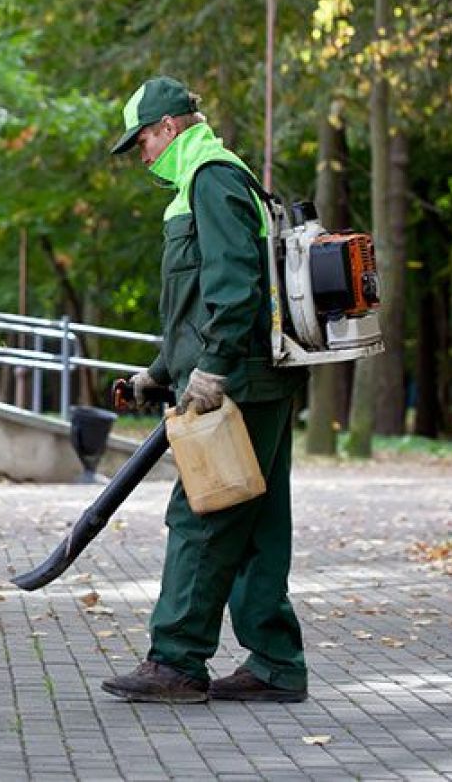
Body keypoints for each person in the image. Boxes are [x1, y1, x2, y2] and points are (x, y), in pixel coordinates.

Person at [101, 76, 309, 704]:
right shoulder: (206, 181)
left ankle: (177, 662)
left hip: (239, 380)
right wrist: (158, 375)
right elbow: (193, 306)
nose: (142, 156)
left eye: (141, 142)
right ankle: (276, 664)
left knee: (202, 515)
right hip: (252, 378)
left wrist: (212, 369)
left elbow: (235, 282)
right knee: (257, 524)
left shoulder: (211, 178)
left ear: (167, 127)